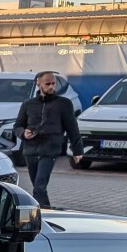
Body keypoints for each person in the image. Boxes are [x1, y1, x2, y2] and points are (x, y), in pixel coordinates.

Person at [13, 71, 82, 208]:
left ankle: (40, 213)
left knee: (39, 185)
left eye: (53, 84)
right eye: (47, 84)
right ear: (38, 84)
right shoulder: (28, 104)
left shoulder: (64, 104)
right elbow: (17, 126)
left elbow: (72, 128)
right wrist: (23, 133)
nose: (51, 87)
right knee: (38, 187)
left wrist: (77, 150)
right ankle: (46, 209)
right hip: (30, 150)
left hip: (50, 150)